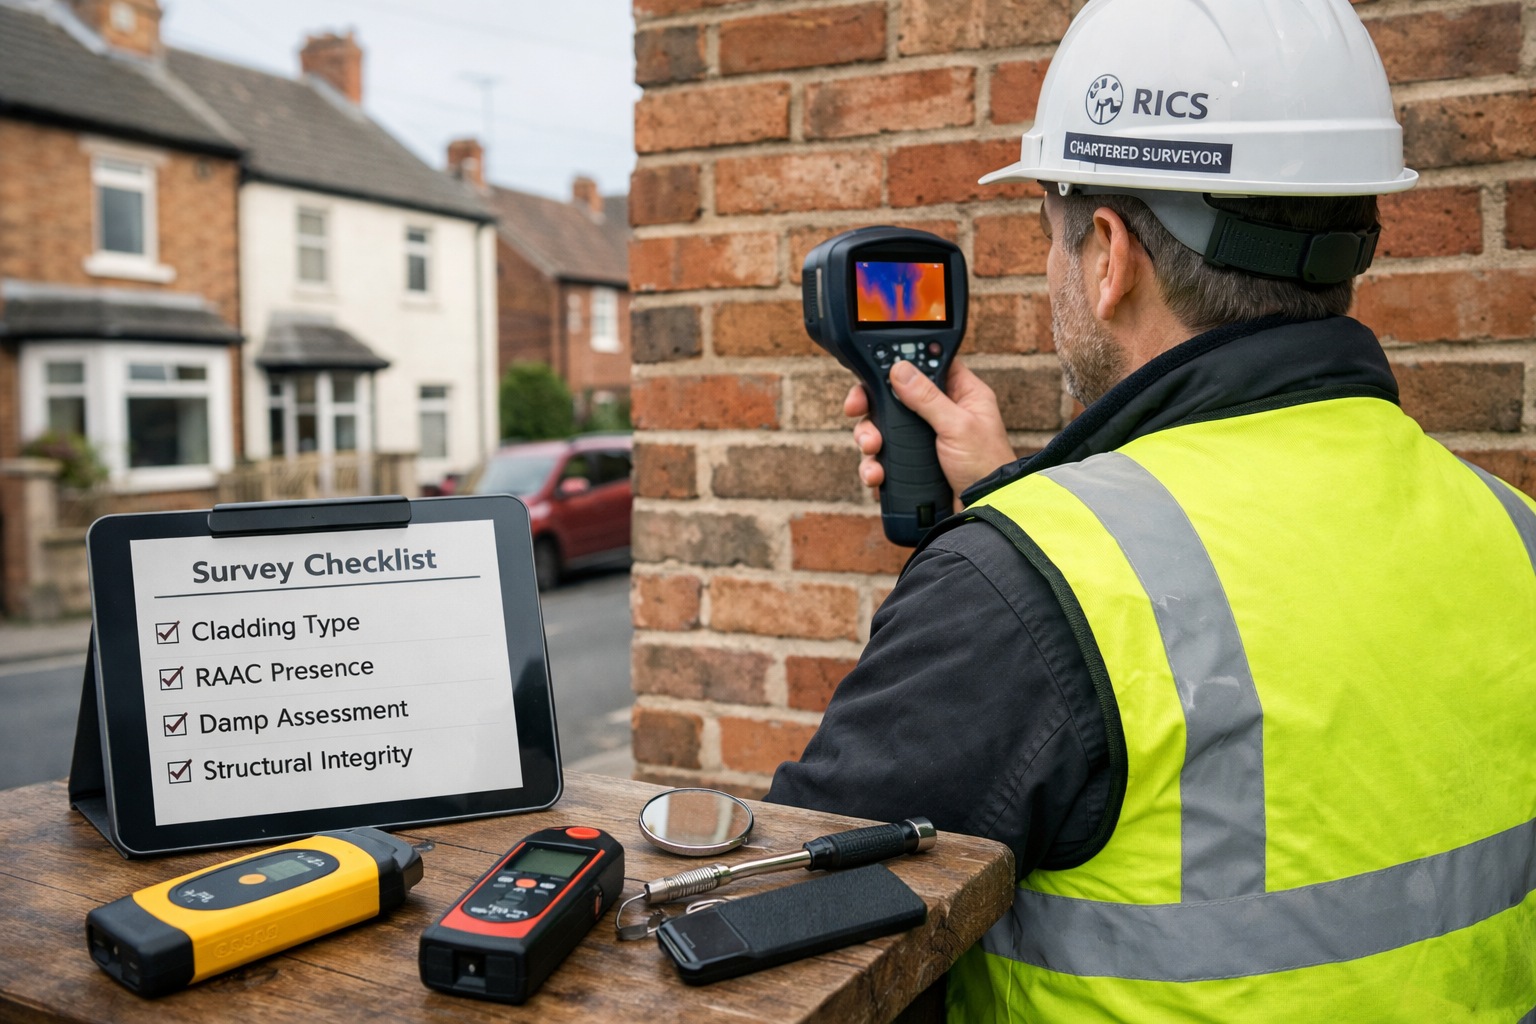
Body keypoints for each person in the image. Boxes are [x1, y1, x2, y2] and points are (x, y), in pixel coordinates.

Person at [764, 0, 1536, 1019]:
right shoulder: (1511, 529)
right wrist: (1006, 508)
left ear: (1109, 254)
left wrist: (1005, 566)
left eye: (1054, 230)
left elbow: (784, 934)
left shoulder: (1011, 593)